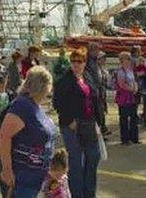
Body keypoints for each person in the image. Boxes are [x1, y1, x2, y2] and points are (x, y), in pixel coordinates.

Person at [0, 66, 57, 198]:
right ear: (44, 87)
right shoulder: (22, 106)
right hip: (24, 177)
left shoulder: (35, 105)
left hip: (37, 176)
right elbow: (4, 136)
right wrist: (7, 170)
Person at [53, 50, 101, 198]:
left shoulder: (88, 77)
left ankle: (89, 193)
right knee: (76, 163)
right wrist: (69, 119)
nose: (75, 64)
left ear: (85, 62)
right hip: (72, 125)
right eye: (73, 61)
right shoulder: (64, 80)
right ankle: (77, 194)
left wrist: (99, 123)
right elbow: (57, 103)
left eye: (79, 61)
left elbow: (96, 99)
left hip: (89, 123)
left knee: (93, 157)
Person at [115, 51, 140, 145]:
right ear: (123, 60)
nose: (130, 60)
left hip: (132, 96)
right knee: (124, 118)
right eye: (128, 59)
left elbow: (134, 80)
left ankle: (134, 138)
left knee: (133, 116)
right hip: (124, 97)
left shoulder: (130, 70)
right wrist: (131, 89)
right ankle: (125, 139)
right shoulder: (120, 71)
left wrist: (135, 88)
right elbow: (121, 84)